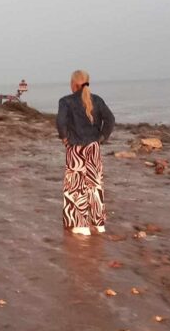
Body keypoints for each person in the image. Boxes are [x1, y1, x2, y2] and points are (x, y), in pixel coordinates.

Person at [56, 70, 115, 236]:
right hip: (93, 147)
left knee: (76, 186)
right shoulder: (97, 100)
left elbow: (60, 123)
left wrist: (64, 138)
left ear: (74, 84)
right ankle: (99, 223)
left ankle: (80, 224)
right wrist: (101, 137)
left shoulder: (65, 101)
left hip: (75, 147)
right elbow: (110, 119)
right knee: (95, 184)